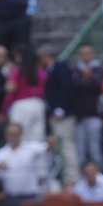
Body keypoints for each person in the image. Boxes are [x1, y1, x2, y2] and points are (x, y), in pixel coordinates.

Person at [38, 44, 78, 184]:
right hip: (55, 114)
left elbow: (67, 89)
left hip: (63, 115)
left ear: (47, 56)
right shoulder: (50, 70)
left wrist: (60, 109)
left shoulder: (62, 68)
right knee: (59, 147)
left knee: (66, 145)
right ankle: (65, 177)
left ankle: (72, 178)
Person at [0, 47, 46, 143]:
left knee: (20, 138)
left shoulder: (18, 71)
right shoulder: (41, 71)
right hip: (39, 105)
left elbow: (11, 92)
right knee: (38, 138)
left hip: (22, 105)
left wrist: (3, 111)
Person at [0, 122, 48, 199]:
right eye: (11, 134)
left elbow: (46, 148)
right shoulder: (0, 153)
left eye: (16, 134)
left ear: (21, 134)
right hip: (9, 196)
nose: (14, 137)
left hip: (30, 195)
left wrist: (51, 143)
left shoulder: (31, 147)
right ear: (6, 136)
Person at [73, 45, 103, 168]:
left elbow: (101, 88)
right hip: (79, 117)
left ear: (93, 54)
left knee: (94, 148)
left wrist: (90, 77)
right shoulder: (75, 70)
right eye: (83, 53)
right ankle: (81, 178)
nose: (86, 56)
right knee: (79, 148)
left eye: (88, 53)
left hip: (94, 115)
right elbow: (74, 89)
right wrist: (83, 78)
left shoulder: (99, 70)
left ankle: (98, 175)